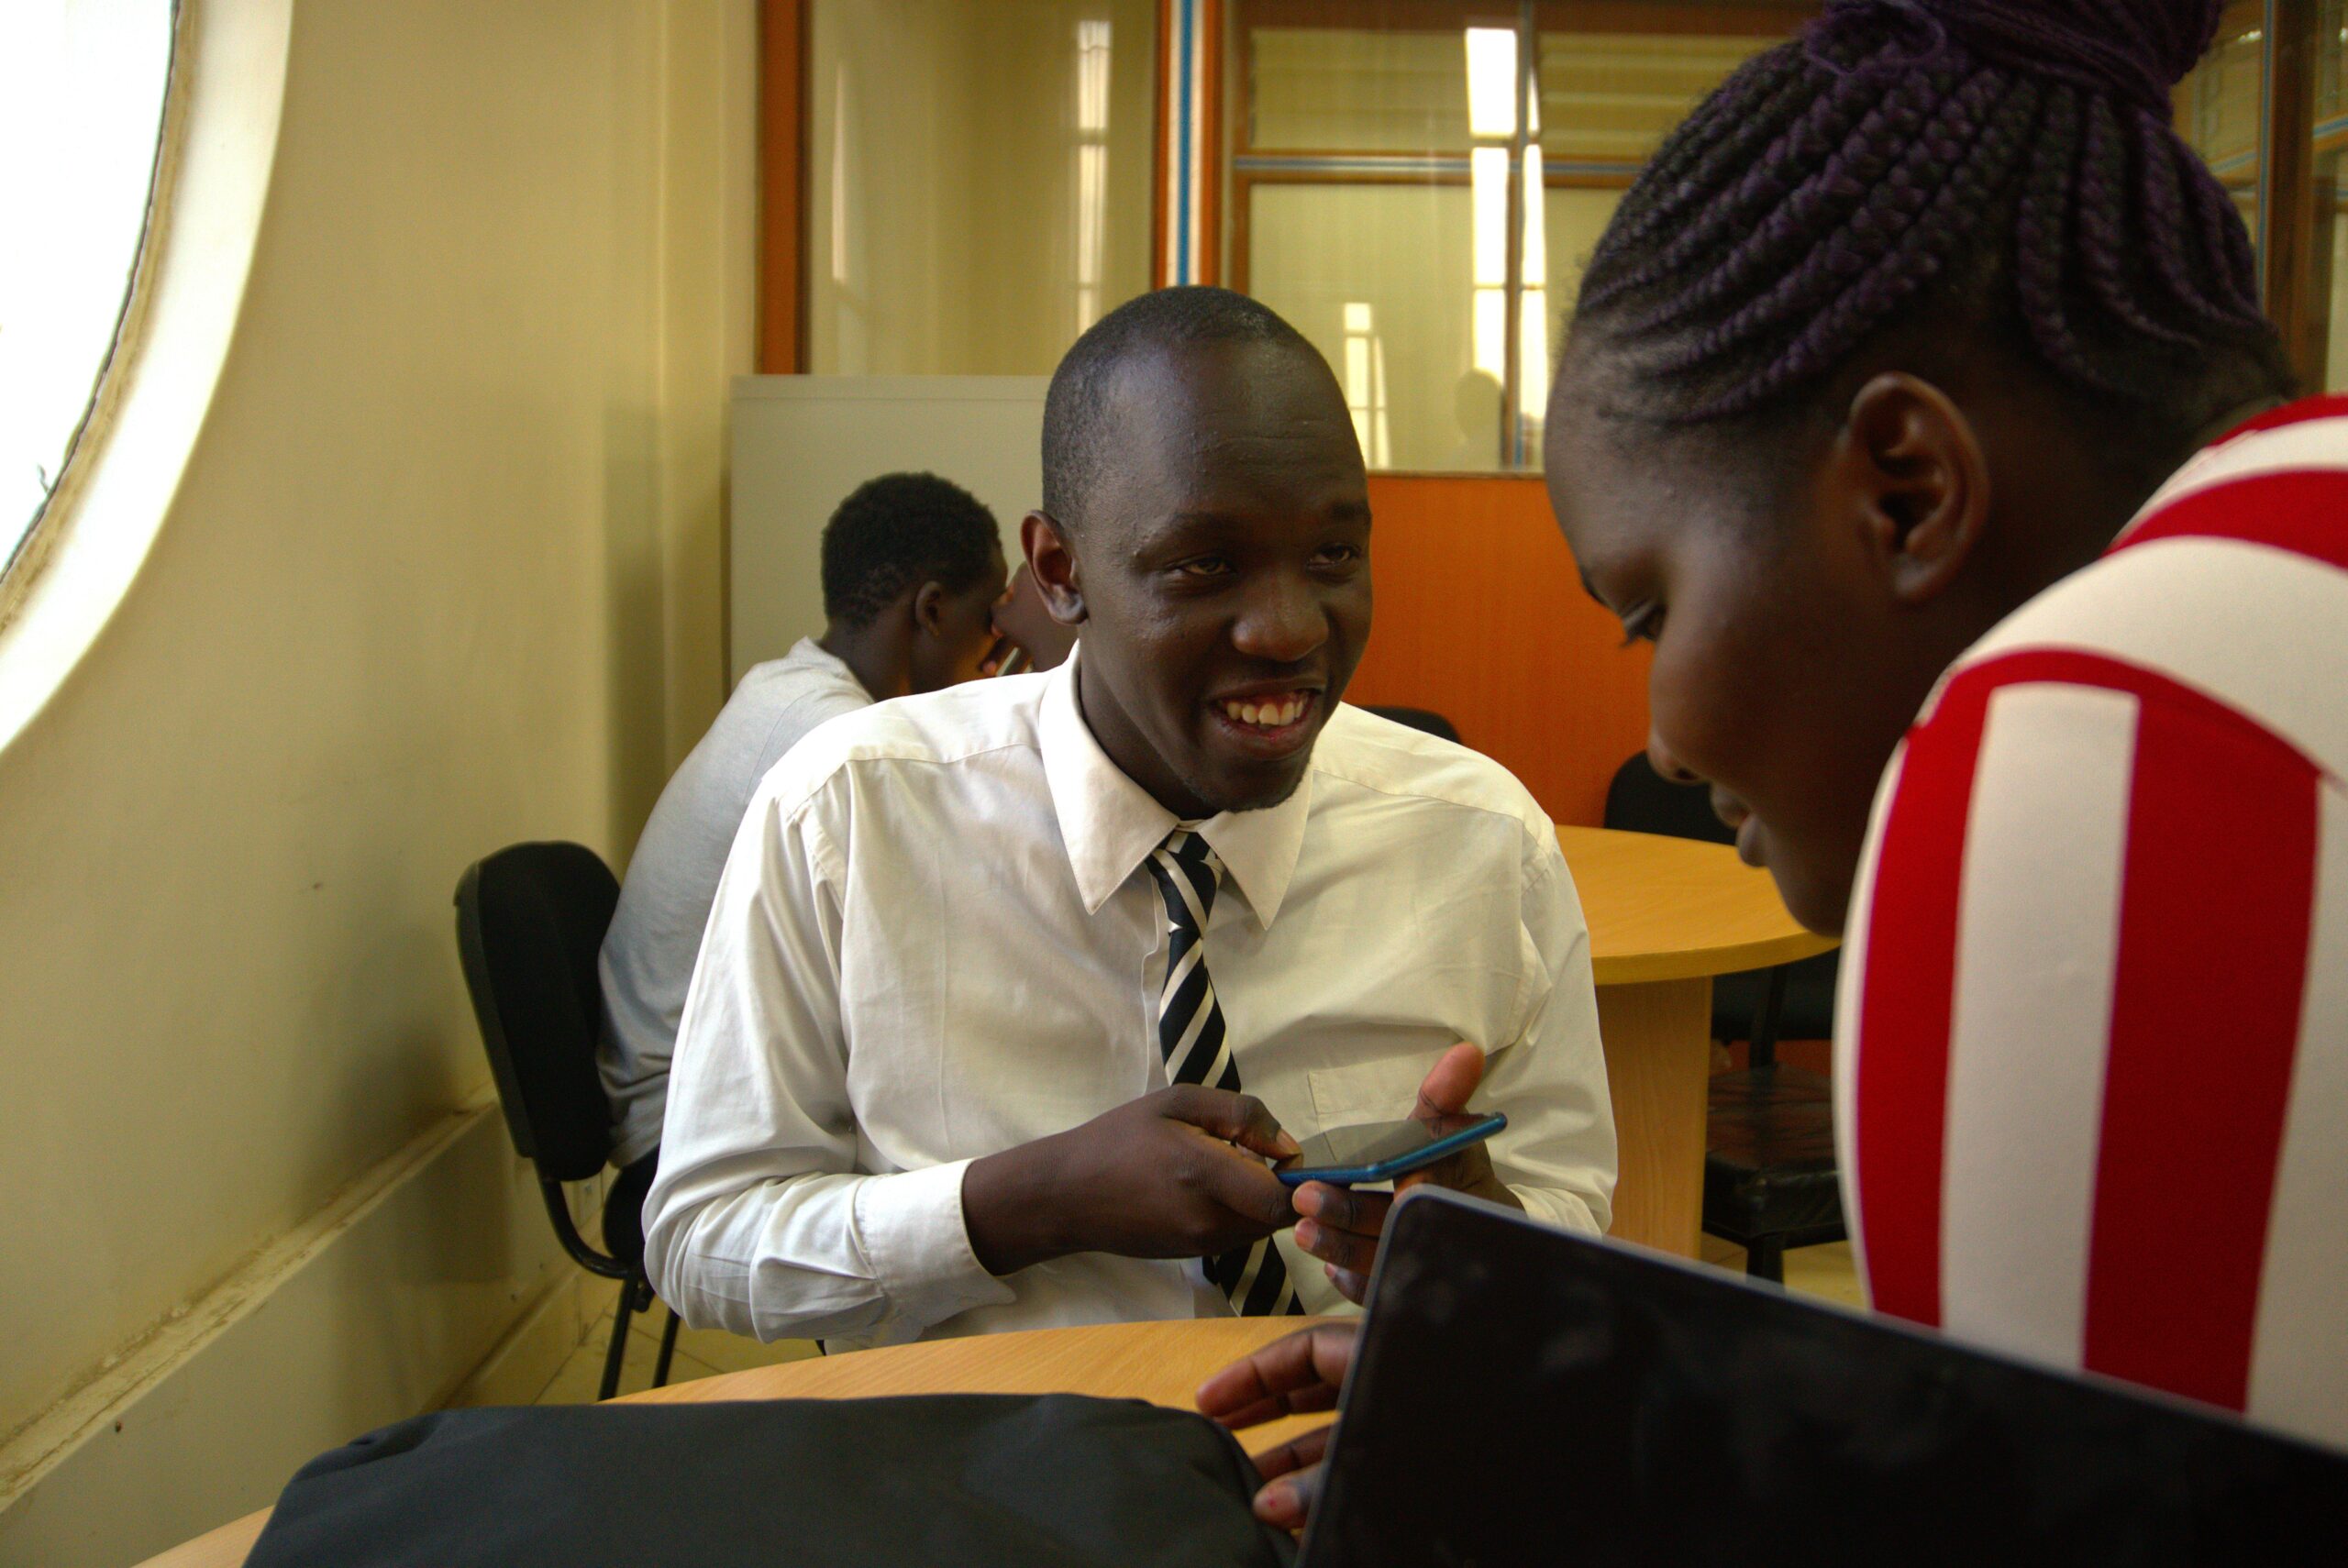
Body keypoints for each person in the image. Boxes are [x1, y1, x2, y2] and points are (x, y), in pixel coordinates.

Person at [1201, 0, 2346, 1524]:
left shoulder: (2104, 736)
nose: (1666, 739)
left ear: (1907, 486)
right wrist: (1625, 1426)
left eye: (1652, 613)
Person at [642, 287, 1615, 1347]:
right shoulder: (850, 816)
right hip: (984, 1469)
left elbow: (1569, 1210)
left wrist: (1483, 1244)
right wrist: (1030, 1201)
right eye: (1203, 564)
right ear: (1060, 573)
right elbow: (705, 1236)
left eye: (1333, 556)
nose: (1289, 630)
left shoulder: (1479, 840)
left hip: (1333, 1459)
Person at [594, 472, 1008, 1236]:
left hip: (680, 1088)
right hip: (684, 1126)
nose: (996, 656)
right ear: (934, 610)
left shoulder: (791, 690)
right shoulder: (829, 739)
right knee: (991, 1148)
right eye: (992, 626)